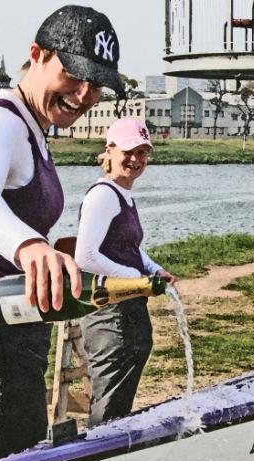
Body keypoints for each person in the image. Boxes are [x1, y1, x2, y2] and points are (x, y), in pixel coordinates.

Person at [0, 5, 125, 461]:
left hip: (15, 340)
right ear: (37, 55)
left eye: (96, 84)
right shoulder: (0, 122)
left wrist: (55, 251)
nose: (84, 94)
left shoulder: (33, 128)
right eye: (73, 74)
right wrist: (30, 246)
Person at [75, 118, 175, 427]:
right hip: (109, 310)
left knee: (121, 393)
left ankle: (112, 443)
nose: (135, 159)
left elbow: (127, 246)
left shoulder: (121, 194)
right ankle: (100, 448)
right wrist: (136, 279)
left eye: (142, 152)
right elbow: (85, 256)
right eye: (128, 151)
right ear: (109, 151)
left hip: (126, 305)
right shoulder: (103, 195)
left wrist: (152, 268)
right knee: (110, 400)